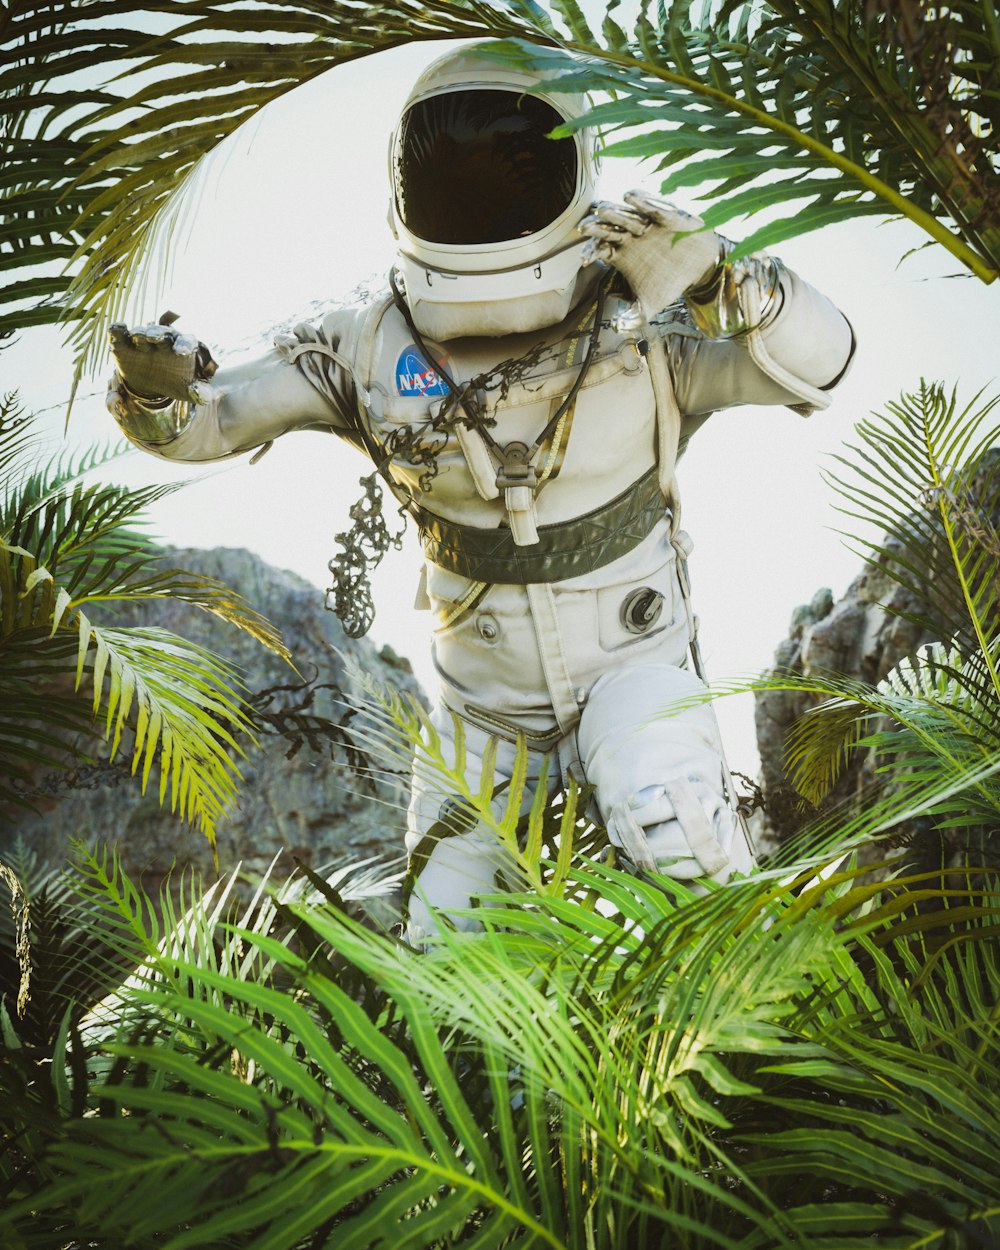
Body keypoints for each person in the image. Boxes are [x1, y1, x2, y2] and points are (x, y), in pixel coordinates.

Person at [107, 40, 855, 941]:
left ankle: (750, 1050)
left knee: (680, 826)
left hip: (635, 669)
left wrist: (724, 276)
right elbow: (209, 422)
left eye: (511, 159)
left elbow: (823, 364)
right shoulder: (367, 345)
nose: (481, 181)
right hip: (481, 712)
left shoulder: (645, 319)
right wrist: (153, 391)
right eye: (451, 165)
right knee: (444, 953)